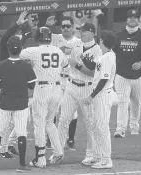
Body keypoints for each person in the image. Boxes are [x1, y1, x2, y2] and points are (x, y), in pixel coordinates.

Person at [0, 36, 37, 172]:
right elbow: (32, 86)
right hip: (21, 104)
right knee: (21, 133)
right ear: (21, 49)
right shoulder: (26, 66)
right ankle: (22, 165)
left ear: (8, 49)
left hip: (5, 104)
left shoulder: (2, 65)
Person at [20, 26, 69, 168]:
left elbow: (17, 52)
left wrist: (24, 37)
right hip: (57, 88)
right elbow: (66, 68)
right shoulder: (58, 51)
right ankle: (59, 151)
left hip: (42, 88)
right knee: (49, 122)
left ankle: (40, 159)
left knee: (40, 123)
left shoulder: (34, 51)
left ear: (37, 38)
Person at [58, 22, 102, 165]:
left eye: (83, 31)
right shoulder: (76, 45)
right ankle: (58, 152)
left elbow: (91, 73)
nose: (80, 33)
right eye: (80, 31)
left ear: (91, 33)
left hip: (86, 88)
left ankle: (91, 154)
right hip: (71, 86)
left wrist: (75, 64)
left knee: (90, 122)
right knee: (63, 120)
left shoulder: (98, 50)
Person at [0, 11, 32, 159]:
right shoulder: (6, 46)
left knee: (19, 119)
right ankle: (2, 149)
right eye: (17, 33)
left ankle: (9, 144)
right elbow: (6, 37)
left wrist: (26, 24)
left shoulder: (18, 44)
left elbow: (28, 34)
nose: (19, 36)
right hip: (7, 87)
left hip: (18, 87)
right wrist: (18, 23)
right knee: (7, 120)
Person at [113, 9, 141, 138]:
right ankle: (120, 129)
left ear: (138, 20)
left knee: (136, 102)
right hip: (121, 75)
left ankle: (134, 126)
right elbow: (112, 53)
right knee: (122, 102)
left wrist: (140, 63)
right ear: (126, 20)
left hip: (138, 76)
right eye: (130, 17)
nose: (132, 19)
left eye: (135, 17)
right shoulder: (118, 36)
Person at [83, 30, 116, 169]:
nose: (99, 40)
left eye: (100, 39)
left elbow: (104, 79)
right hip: (100, 94)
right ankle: (97, 156)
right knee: (96, 126)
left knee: (102, 127)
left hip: (103, 94)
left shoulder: (108, 57)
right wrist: (80, 57)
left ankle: (106, 159)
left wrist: (91, 96)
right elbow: (93, 66)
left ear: (103, 41)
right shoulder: (105, 56)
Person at [49, 16, 82, 150]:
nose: (65, 28)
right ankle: (49, 139)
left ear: (73, 27)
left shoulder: (79, 42)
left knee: (72, 113)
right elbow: (42, 33)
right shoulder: (55, 38)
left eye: (68, 26)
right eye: (63, 26)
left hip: (71, 80)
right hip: (57, 80)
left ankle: (71, 139)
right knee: (53, 110)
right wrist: (49, 26)